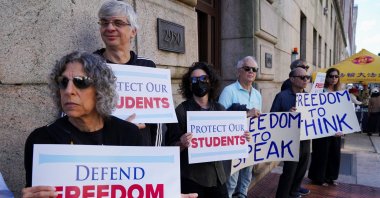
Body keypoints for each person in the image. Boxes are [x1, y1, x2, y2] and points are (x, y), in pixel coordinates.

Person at [22, 51, 143, 197]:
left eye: (80, 82)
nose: (68, 91)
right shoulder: (42, 139)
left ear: (101, 89)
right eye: (63, 82)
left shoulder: (128, 134)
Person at [94, 0, 162, 146]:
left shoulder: (147, 67)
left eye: (118, 23)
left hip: (143, 155)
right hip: (104, 157)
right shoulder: (87, 66)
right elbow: (75, 118)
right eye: (104, 23)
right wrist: (118, 130)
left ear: (133, 31)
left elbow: (158, 121)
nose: (110, 28)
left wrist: (156, 155)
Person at [165, 62, 230, 198]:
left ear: (210, 82)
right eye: (194, 80)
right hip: (192, 179)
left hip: (218, 177)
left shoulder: (220, 109)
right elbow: (169, 148)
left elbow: (230, 140)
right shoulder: (181, 111)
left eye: (203, 79)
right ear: (189, 85)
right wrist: (181, 143)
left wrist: (241, 137)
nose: (199, 82)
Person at [218, 56, 262, 198]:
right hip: (233, 145)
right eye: (247, 68)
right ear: (239, 72)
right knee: (231, 182)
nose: (251, 72)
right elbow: (220, 119)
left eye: (254, 69)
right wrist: (247, 114)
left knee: (246, 179)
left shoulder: (257, 94)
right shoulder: (229, 91)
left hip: (250, 143)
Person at [270, 67, 311, 198]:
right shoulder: (281, 96)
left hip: (305, 137)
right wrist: (287, 114)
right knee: (290, 169)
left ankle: (294, 191)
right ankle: (282, 195)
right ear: (292, 79)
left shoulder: (309, 96)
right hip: (289, 139)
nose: (306, 80)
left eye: (307, 77)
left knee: (302, 167)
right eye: (302, 77)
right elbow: (272, 118)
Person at [308, 68, 344, 186]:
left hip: (336, 129)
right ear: (326, 77)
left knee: (334, 154)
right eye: (331, 76)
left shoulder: (340, 93)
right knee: (321, 153)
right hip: (321, 128)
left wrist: (343, 128)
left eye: (336, 76)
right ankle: (318, 178)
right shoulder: (320, 91)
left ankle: (331, 177)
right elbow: (312, 106)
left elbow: (343, 112)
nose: (333, 79)